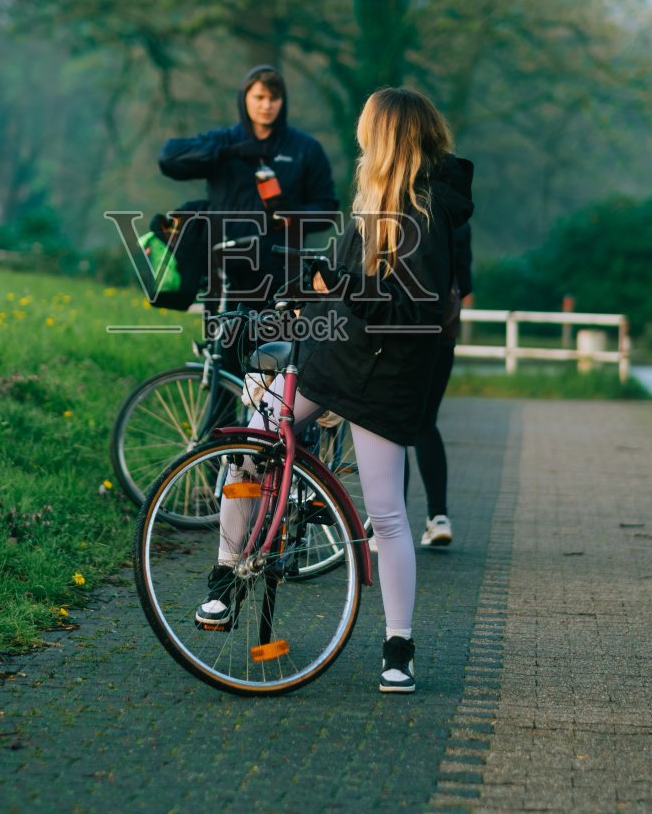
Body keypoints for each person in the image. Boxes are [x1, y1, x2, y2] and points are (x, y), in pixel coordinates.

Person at [197, 86, 475, 695]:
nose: (359, 137)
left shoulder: (426, 214)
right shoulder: (372, 198)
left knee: (387, 514)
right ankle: (226, 575)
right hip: (336, 356)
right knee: (253, 442)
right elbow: (346, 281)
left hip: (385, 377)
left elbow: (414, 312)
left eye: (366, 127)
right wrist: (308, 289)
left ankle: (398, 646)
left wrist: (342, 285)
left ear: (387, 136)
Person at [157, 66, 339, 317]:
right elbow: (168, 158)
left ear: (283, 101)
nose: (267, 105)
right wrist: (227, 153)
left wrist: (292, 212)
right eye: (259, 97)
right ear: (245, 98)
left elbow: (327, 210)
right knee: (224, 339)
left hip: (281, 272)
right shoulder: (224, 140)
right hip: (224, 271)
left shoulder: (305, 149)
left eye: (274, 98)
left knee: (278, 341)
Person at [411, 221, 472, 548]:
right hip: (443, 334)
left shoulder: (403, 211)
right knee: (425, 423)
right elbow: (465, 282)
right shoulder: (457, 217)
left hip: (403, 334)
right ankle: (438, 517)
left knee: (390, 427)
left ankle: (385, 524)